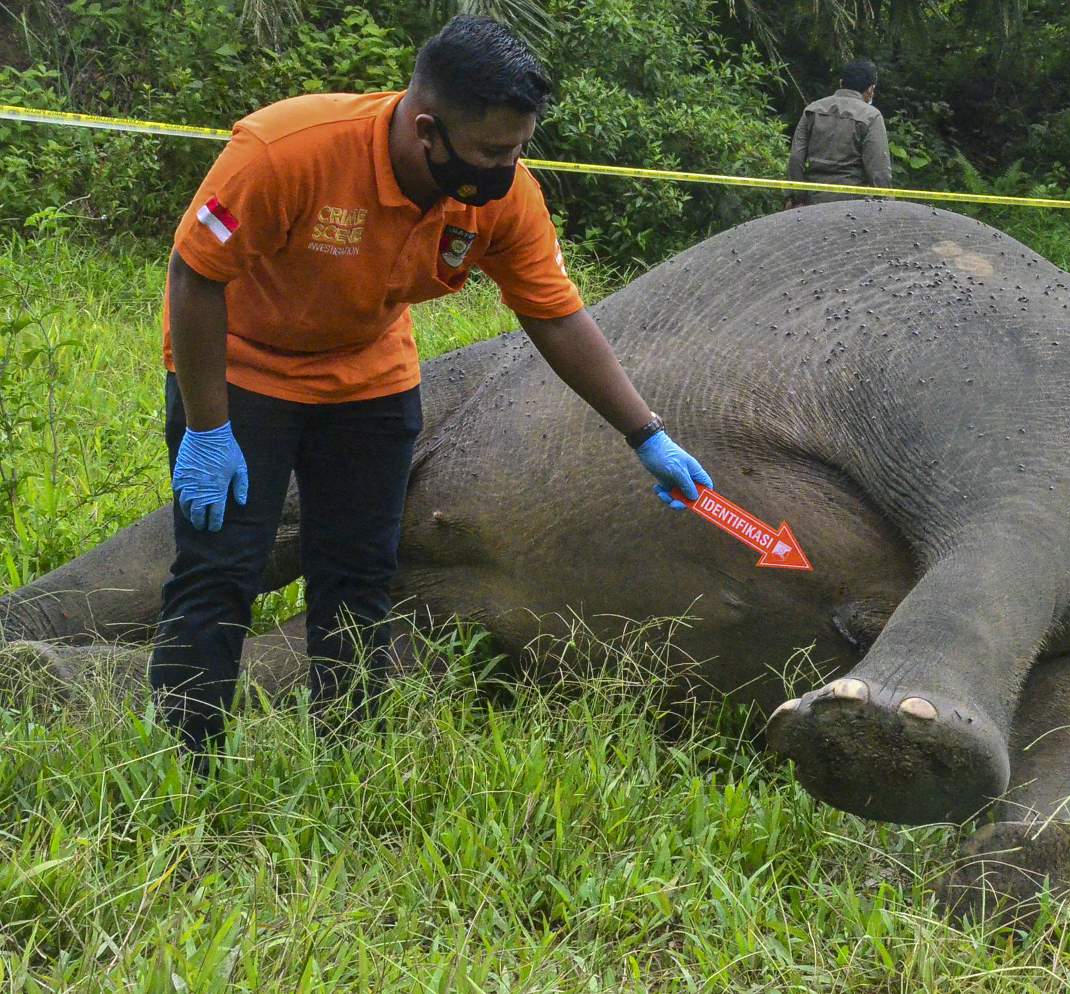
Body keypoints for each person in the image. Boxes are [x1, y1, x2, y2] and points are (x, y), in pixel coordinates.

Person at [151, 14, 712, 758]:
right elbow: (196, 277)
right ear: (425, 130)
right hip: (242, 373)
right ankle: (186, 763)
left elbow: (555, 317)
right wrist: (209, 427)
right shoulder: (286, 151)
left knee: (357, 574)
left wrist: (646, 433)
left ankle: (345, 757)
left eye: (518, 148)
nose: (505, 167)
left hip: (367, 382)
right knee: (221, 569)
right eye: (489, 150)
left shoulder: (501, 195)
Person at [786, 60, 892, 206]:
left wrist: (796, 197)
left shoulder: (812, 110)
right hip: (854, 203)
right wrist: (885, 204)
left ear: (841, 83)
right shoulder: (871, 116)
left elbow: (796, 158)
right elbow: (879, 170)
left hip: (813, 200)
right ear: (870, 89)